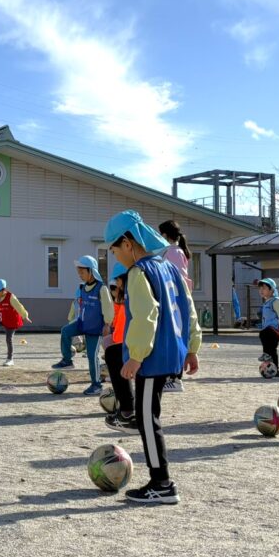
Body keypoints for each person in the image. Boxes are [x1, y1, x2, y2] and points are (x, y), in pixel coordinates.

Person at [107, 210, 200, 505]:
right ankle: (160, 481)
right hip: (171, 352)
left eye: (114, 248)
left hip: (152, 355)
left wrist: (135, 356)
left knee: (148, 418)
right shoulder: (169, 267)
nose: (115, 255)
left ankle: (161, 483)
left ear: (129, 243)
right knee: (149, 415)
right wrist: (193, 347)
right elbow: (189, 309)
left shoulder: (139, 272)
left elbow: (146, 316)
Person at [50, 256, 109, 395]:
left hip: (95, 328)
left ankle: (96, 384)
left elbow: (108, 308)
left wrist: (107, 324)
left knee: (91, 356)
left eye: (82, 272)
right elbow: (77, 305)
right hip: (82, 324)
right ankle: (67, 360)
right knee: (65, 331)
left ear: (91, 271)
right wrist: (72, 319)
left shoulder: (102, 289)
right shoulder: (82, 288)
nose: (80, 275)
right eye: (79, 273)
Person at [157, 220, 193, 393]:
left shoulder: (171, 252)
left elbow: (174, 279)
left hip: (175, 300)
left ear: (164, 235)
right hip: (177, 300)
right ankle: (172, 376)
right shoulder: (177, 251)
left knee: (174, 338)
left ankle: (175, 378)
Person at [102, 261, 136, 431]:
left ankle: (128, 411)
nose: (115, 286)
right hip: (126, 343)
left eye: (117, 282)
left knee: (114, 354)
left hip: (137, 345)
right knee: (112, 353)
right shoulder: (125, 298)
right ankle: (127, 409)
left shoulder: (134, 297)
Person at [0, 279, 31, 367]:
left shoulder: (11, 297)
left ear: (3, 290)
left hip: (12, 321)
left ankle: (10, 359)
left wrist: (25, 315)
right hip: (2, 319)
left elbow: (19, 306)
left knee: (9, 339)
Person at [257, 277, 279, 377]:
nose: (261, 290)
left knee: (265, 336)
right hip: (268, 330)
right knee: (270, 348)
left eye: (264, 288)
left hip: (274, 330)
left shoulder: (276, 301)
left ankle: (274, 368)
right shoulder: (267, 302)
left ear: (272, 290)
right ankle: (270, 368)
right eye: (260, 288)